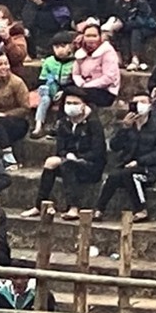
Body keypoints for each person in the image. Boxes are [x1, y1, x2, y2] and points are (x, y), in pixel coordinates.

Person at [26, 87, 103, 218]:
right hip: (69, 162)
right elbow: (60, 148)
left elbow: (98, 151)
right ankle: (38, 205)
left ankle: (74, 207)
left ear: (83, 105)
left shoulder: (93, 123)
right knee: (51, 163)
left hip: (90, 166)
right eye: (68, 103)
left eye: (75, 103)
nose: (71, 106)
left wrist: (78, 158)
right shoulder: (63, 123)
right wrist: (66, 155)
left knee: (68, 165)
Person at [96, 95, 156, 216]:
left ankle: (141, 209)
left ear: (150, 105)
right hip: (126, 165)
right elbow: (114, 146)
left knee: (130, 175)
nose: (138, 105)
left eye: (142, 102)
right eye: (135, 102)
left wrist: (139, 161)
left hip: (147, 169)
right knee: (113, 176)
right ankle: (99, 209)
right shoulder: (128, 126)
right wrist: (124, 128)